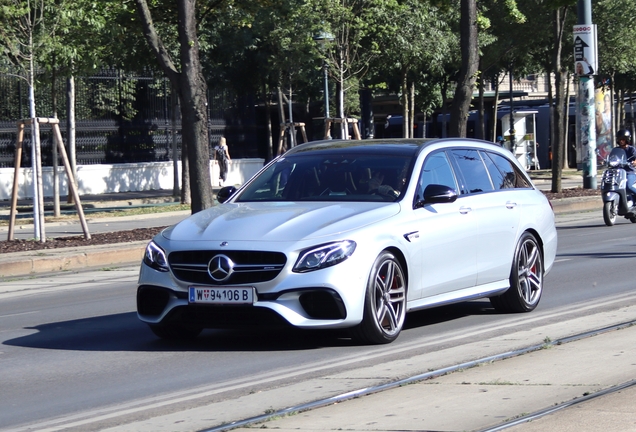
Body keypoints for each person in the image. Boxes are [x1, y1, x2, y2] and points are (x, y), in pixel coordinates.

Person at [616, 129, 636, 197]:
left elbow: (635, 158)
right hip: (618, 172)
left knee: (628, 186)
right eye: (619, 139)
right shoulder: (616, 150)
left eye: (623, 139)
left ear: (627, 139)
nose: (621, 141)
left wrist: (634, 162)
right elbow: (612, 157)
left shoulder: (631, 149)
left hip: (629, 172)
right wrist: (604, 160)